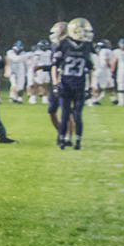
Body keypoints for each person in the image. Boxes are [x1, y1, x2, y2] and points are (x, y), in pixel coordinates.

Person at [52, 17, 94, 149]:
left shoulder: (87, 46)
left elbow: (90, 68)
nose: (87, 34)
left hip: (80, 85)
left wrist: (90, 86)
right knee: (65, 114)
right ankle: (62, 139)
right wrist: (55, 83)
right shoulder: (64, 44)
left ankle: (77, 141)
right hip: (66, 85)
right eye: (84, 31)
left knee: (77, 115)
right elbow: (55, 65)